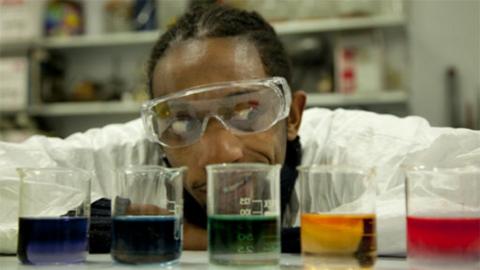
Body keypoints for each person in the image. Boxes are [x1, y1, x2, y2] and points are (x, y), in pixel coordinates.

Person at [0, 3, 479, 255]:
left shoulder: (357, 145)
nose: (221, 152)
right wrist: (82, 220)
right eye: (183, 121)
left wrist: (200, 239)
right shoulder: (134, 154)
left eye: (247, 110)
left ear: (292, 117)